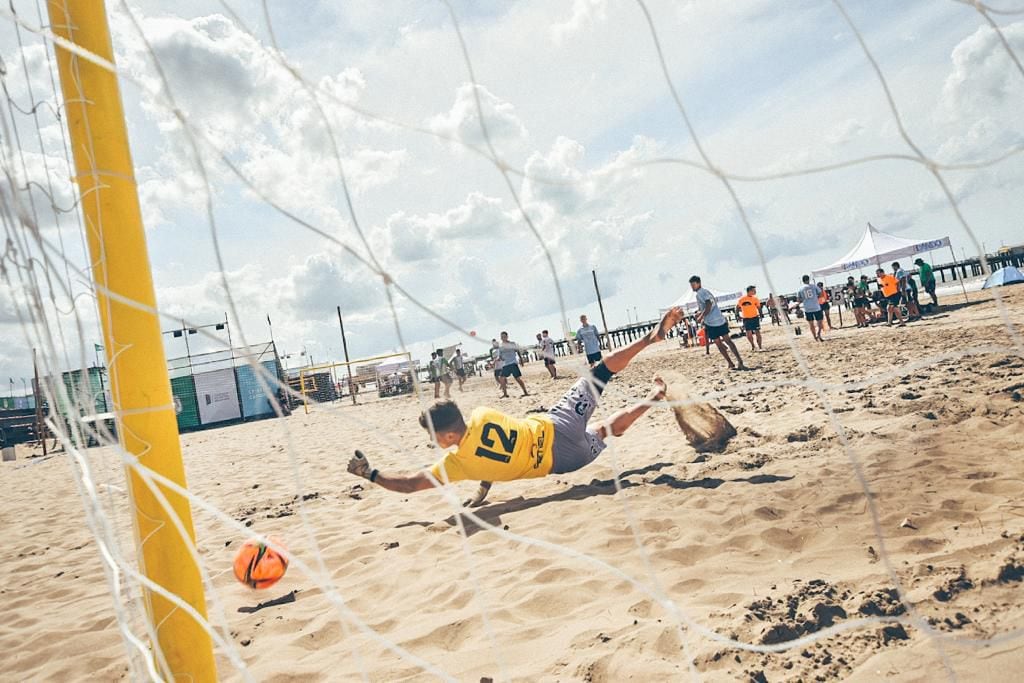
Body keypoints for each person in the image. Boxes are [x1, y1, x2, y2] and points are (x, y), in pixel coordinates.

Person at [346, 307, 686, 506]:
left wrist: (370, 473)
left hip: (565, 460)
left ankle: (652, 399)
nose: (435, 443)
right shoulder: (481, 415)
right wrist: (482, 482)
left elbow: (410, 484)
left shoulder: (458, 464)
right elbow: (489, 447)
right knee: (600, 372)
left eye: (436, 437)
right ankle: (648, 340)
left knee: (607, 429)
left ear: (449, 436)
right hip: (557, 423)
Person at [689, 275, 745, 370]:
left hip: (711, 322)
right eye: (691, 285)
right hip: (719, 319)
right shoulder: (706, 292)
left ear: (699, 283)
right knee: (728, 341)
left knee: (719, 344)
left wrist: (701, 316)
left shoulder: (700, 293)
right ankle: (739, 361)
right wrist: (700, 313)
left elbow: (709, 304)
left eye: (693, 285)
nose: (692, 287)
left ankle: (731, 363)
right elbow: (708, 305)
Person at [497, 331, 528, 398]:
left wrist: (521, 360)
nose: (503, 338)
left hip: (513, 363)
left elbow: (517, 351)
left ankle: (525, 391)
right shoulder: (500, 346)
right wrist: (499, 359)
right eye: (502, 337)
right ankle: (505, 394)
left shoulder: (512, 343)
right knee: (501, 378)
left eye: (504, 336)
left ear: (507, 336)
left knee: (517, 378)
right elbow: (500, 356)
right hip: (506, 364)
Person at [736, 285, 763, 352]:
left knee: (757, 332)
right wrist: (737, 315)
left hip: (755, 317)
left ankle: (760, 347)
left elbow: (759, 307)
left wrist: (761, 315)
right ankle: (753, 345)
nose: (755, 292)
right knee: (748, 333)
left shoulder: (755, 299)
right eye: (754, 290)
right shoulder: (742, 299)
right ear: (750, 291)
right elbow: (736, 307)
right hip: (746, 318)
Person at [798, 275, 824, 341]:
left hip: (807, 308)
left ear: (802, 281)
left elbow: (799, 299)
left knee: (811, 324)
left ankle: (814, 337)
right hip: (816, 306)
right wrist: (816, 298)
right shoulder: (814, 286)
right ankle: (819, 334)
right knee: (820, 322)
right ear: (808, 279)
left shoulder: (800, 289)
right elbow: (820, 294)